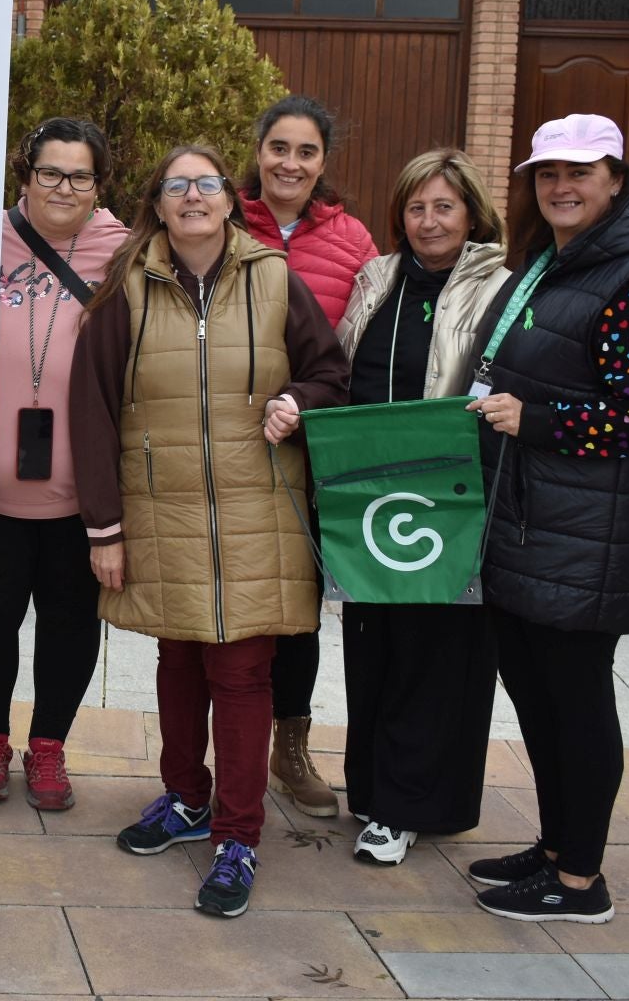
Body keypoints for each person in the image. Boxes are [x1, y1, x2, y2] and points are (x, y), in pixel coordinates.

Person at [71, 144, 348, 917]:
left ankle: (237, 835)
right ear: (157, 206)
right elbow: (90, 410)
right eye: (174, 187)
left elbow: (330, 371)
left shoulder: (273, 279)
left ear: (231, 198)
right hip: (160, 513)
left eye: (205, 185)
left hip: (257, 511)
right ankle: (186, 798)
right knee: (179, 660)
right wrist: (104, 527)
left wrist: (299, 401)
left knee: (242, 674)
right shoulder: (125, 286)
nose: (191, 197)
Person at [463, 114, 629, 924]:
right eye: (547, 174)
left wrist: (539, 421)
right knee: (537, 694)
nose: (561, 187)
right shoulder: (560, 263)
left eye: (580, 173)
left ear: (615, 177)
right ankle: (558, 845)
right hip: (538, 523)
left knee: (575, 699)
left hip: (589, 535)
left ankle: (580, 883)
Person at [332, 150, 508, 865]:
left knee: (435, 655)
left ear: (471, 213)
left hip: (450, 495)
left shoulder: (500, 287)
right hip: (369, 489)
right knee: (374, 641)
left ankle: (407, 805)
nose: (428, 221)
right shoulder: (377, 278)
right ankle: (374, 790)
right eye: (415, 207)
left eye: (443, 206)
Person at [0, 119, 129, 810]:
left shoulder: (123, 253)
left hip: (78, 497)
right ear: (25, 174)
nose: (64, 187)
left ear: (99, 186)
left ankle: (48, 748)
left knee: (70, 625)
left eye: (80, 176)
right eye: (50, 172)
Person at [238, 94, 379, 818]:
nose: (290, 163)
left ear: (323, 162)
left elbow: (368, 345)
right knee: (229, 601)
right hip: (227, 445)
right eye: (280, 148)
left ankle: (289, 749)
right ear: (258, 150)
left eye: (307, 152)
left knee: (297, 608)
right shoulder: (220, 220)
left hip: (313, 451)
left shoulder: (352, 239)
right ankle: (223, 752)